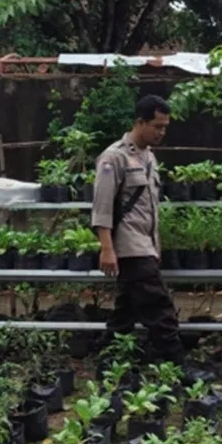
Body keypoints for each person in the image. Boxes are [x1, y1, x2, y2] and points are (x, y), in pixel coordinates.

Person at [90, 95, 183, 363]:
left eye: (165, 127)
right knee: (159, 306)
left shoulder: (149, 158)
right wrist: (107, 249)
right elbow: (102, 207)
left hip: (145, 244)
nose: (162, 132)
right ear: (140, 122)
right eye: (157, 126)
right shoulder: (113, 158)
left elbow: (151, 208)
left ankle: (107, 358)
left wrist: (156, 247)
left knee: (126, 311)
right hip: (129, 246)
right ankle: (177, 364)